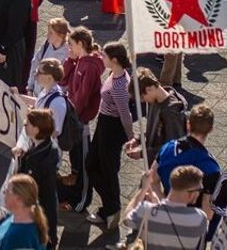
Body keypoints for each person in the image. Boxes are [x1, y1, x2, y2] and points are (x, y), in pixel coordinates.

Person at [84, 42, 135, 229]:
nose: (102, 58)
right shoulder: (115, 73)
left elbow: (125, 114)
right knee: (93, 164)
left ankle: (111, 208)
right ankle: (110, 206)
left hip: (111, 128)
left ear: (114, 60)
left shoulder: (120, 85)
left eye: (104, 56)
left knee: (107, 169)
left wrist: (131, 138)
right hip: (104, 123)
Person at [61, 27, 105, 212]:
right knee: (75, 155)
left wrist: (70, 114)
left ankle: (81, 201)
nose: (68, 48)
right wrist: (70, 60)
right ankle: (73, 183)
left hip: (80, 120)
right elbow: (63, 80)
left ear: (80, 44)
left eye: (71, 45)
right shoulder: (79, 60)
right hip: (73, 117)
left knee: (83, 159)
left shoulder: (90, 66)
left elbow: (83, 96)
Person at [122, 166, 209, 250]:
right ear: (191, 193)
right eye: (199, 190)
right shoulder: (200, 218)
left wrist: (143, 189)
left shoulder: (146, 211)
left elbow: (126, 218)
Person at [15, 109, 61, 249]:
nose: (24, 125)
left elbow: (29, 187)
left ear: (36, 129)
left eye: (27, 124)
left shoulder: (39, 161)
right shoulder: (47, 146)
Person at [0, 174, 49, 250]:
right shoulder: (19, 216)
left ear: (18, 199)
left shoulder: (20, 238)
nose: (4, 194)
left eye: (7, 191)